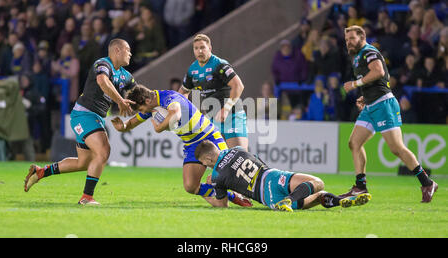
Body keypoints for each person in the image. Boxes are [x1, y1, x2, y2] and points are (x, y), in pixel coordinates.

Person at [24, 39, 136, 205]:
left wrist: (157, 105)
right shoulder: (103, 63)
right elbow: (102, 81)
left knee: (84, 162)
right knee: (104, 151)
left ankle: (40, 172)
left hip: (94, 117)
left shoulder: (125, 76)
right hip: (84, 114)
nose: (130, 53)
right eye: (128, 49)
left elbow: (139, 94)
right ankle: (86, 197)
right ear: (117, 50)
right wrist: (120, 100)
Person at [111, 85, 252, 208]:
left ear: (147, 101)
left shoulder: (169, 97)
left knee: (229, 172)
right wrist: (122, 126)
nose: (143, 112)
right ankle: (230, 196)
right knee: (191, 186)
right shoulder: (150, 106)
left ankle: (252, 191)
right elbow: (131, 123)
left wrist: (159, 128)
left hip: (208, 136)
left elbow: (176, 114)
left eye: (142, 108)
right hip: (191, 144)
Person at [342, 25, 438, 203]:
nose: (349, 42)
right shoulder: (357, 57)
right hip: (371, 105)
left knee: (396, 148)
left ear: (362, 37)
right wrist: (365, 95)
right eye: (347, 39)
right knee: (354, 143)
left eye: (352, 38)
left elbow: (378, 71)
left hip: (384, 104)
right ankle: (360, 187)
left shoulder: (369, 51)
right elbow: (379, 79)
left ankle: (427, 182)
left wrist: (355, 85)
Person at [194, 140, 372, 212]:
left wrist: (204, 191)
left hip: (267, 199)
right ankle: (289, 199)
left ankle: (340, 200)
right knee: (317, 183)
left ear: (209, 157)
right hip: (270, 177)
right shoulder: (237, 149)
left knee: (317, 196)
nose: (204, 165)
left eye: (203, 162)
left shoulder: (217, 176)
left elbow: (222, 205)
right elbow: (259, 161)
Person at [178, 34, 248, 150]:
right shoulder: (192, 69)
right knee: (217, 159)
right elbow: (183, 92)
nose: (199, 51)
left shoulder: (219, 64)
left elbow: (238, 86)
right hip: (212, 118)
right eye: (196, 48)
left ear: (209, 48)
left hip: (232, 114)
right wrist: (183, 113)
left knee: (239, 156)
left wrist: (225, 109)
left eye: (202, 47)